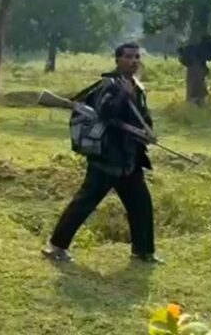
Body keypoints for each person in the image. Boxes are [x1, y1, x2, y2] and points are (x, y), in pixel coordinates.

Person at [42, 42, 162, 264]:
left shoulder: (137, 86)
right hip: (107, 156)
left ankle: (144, 251)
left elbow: (142, 116)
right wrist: (121, 97)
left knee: (141, 205)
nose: (134, 61)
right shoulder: (110, 85)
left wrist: (146, 132)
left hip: (130, 157)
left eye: (137, 57)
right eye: (128, 57)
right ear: (118, 60)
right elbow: (105, 115)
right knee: (84, 202)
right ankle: (56, 247)